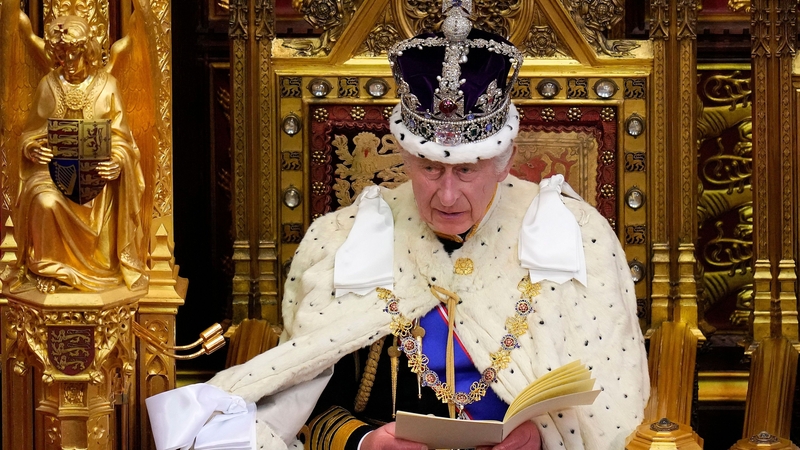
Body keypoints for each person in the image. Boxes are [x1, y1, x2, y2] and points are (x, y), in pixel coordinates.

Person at [146, 2, 648, 449]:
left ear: (506, 157)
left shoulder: (576, 237)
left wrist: (538, 437)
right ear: (403, 153)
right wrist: (364, 442)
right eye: (430, 168)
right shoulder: (343, 240)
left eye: (467, 170)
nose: (446, 195)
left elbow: (605, 419)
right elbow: (305, 407)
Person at [8, 14, 147, 293]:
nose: (68, 62)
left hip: (97, 180)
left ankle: (101, 267)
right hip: (52, 174)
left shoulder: (108, 86)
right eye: (61, 55)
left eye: (74, 53)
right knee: (43, 201)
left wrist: (117, 162)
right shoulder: (48, 85)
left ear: (87, 51)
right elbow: (30, 133)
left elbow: (123, 140)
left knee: (101, 193)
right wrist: (33, 148)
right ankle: (49, 270)